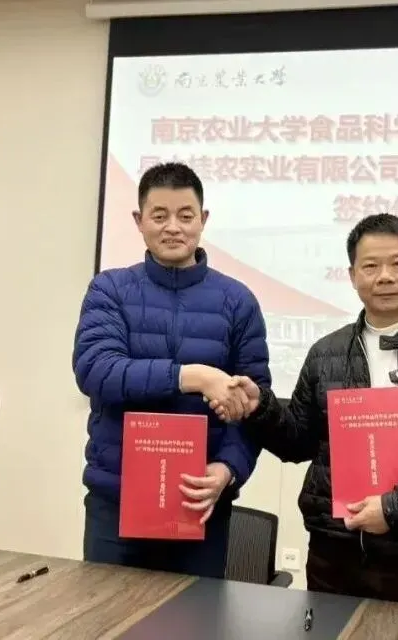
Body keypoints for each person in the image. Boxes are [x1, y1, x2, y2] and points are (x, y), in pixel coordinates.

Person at [209, 213, 398, 609]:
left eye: (397, 263)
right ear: (353, 276)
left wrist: (394, 508)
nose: (384, 276)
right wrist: (260, 407)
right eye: (370, 266)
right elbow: (298, 441)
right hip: (333, 558)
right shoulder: (326, 353)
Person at [72, 161, 268, 578]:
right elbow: (97, 370)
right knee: (106, 612)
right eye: (159, 216)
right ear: (139, 220)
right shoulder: (110, 289)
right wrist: (194, 376)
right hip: (116, 502)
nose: (173, 227)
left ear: (203, 219)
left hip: (200, 502)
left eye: (185, 215)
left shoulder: (238, 301)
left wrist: (228, 469)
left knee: (194, 613)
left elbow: (254, 404)